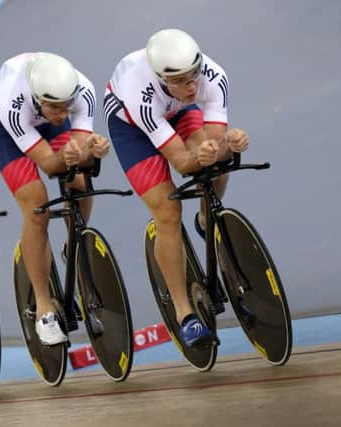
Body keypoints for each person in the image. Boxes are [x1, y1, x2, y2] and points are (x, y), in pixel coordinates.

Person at [104, 29, 250, 348]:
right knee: (168, 212)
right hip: (132, 127)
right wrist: (200, 154)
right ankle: (185, 314)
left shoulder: (213, 77)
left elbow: (213, 147)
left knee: (214, 163)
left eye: (194, 76)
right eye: (181, 80)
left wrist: (230, 144)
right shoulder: (138, 90)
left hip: (178, 111)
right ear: (161, 77)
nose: (192, 86)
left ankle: (203, 221)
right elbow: (183, 163)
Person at [0, 52, 111, 346]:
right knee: (37, 207)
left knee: (79, 180)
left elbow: (77, 156)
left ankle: (72, 244)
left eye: (67, 107)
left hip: (41, 112)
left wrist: (93, 149)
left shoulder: (81, 92)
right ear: (38, 99)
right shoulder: (11, 104)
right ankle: (43, 309)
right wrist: (66, 156)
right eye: (55, 107)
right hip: (4, 129)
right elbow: (50, 165)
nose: (63, 114)